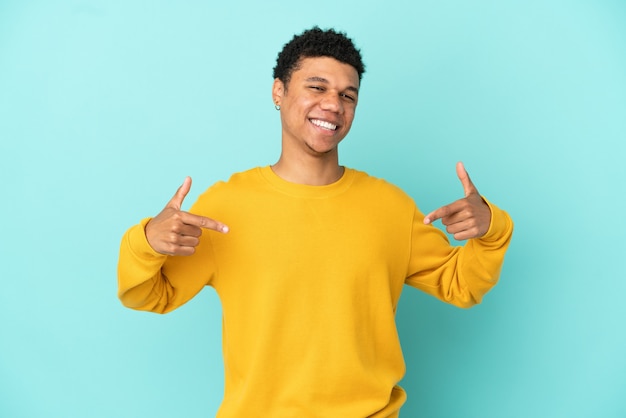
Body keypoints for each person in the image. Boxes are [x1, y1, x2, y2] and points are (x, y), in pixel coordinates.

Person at [117, 27, 513, 418]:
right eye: (317, 87)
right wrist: (147, 240)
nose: (333, 104)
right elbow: (150, 294)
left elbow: (460, 284)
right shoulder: (226, 207)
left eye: (347, 95)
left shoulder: (389, 207)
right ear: (278, 92)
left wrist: (491, 228)